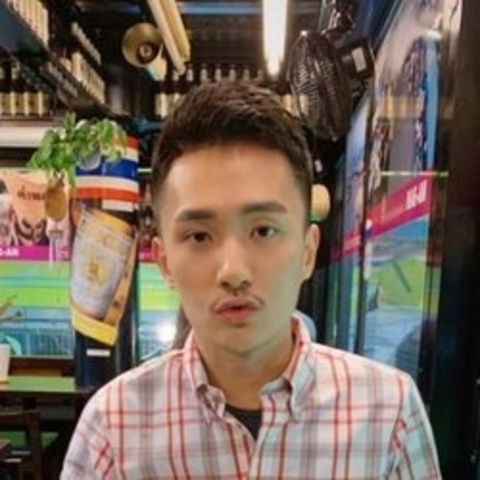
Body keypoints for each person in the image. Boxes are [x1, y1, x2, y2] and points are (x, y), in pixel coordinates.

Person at [61, 81, 441, 479]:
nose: (234, 271)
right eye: (199, 236)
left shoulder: (389, 414)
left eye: (263, 230)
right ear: (165, 262)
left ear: (308, 251)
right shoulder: (113, 427)